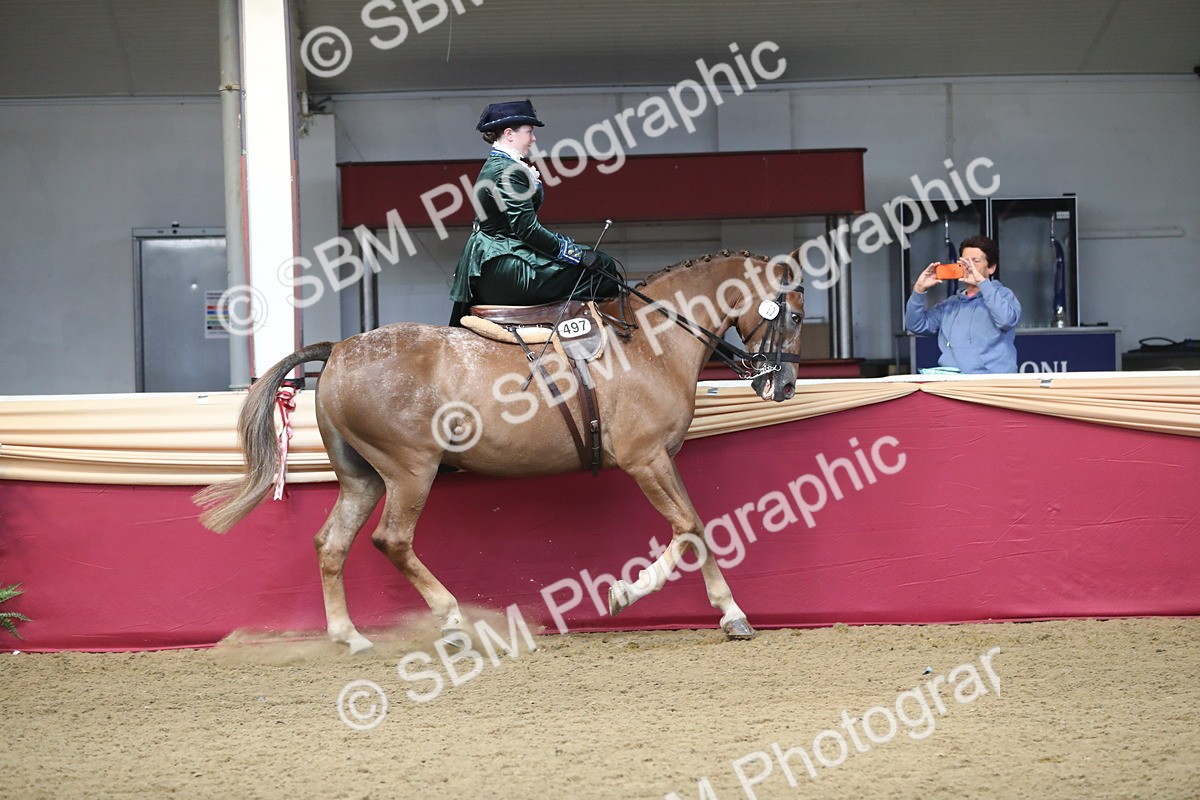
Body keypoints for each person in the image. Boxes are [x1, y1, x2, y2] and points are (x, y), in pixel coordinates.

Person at [448, 100, 623, 325]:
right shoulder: (508, 171)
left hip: (497, 259)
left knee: (594, 259)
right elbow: (527, 229)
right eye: (529, 132)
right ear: (509, 134)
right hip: (504, 266)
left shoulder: (501, 165)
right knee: (604, 267)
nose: (533, 138)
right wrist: (574, 253)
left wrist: (572, 249)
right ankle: (581, 338)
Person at [905, 235, 1021, 374]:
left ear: (991, 268)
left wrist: (983, 284)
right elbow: (915, 325)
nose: (969, 267)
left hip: (991, 383)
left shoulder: (1003, 295)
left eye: (975, 261)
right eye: (964, 262)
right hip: (953, 383)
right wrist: (919, 290)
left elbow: (1006, 320)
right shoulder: (950, 304)